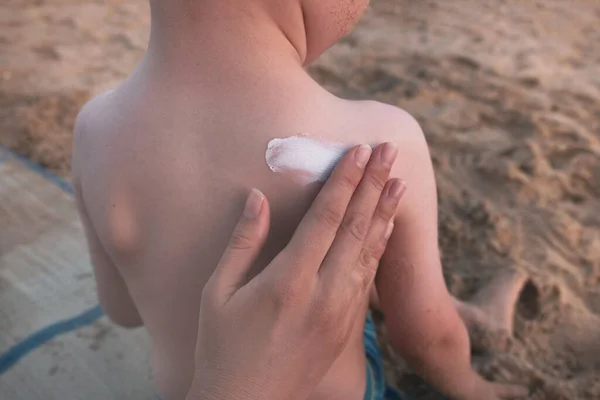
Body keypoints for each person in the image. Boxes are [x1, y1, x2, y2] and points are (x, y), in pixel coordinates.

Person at [72, 0, 528, 399]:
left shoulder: (94, 130)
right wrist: (474, 389)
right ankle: (473, 316)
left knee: (340, 255)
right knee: (380, 266)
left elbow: (123, 311)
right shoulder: (380, 139)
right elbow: (426, 340)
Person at [186, 147, 404, 400]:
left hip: (178, 390)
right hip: (350, 389)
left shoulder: (129, 153)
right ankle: (366, 289)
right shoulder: (392, 131)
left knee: (341, 276)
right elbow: (432, 338)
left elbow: (129, 315)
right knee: (350, 291)